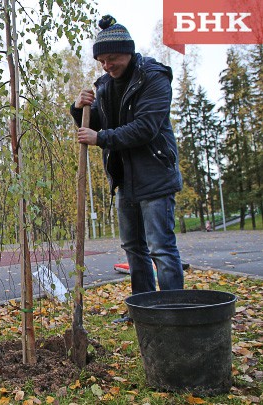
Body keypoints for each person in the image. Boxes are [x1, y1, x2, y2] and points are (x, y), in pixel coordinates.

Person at [70, 15, 184, 320]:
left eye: (113, 58)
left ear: (129, 52)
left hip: (155, 176)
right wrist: (79, 108)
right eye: (102, 60)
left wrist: (101, 137)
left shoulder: (153, 77)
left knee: (161, 248)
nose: (107, 65)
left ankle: (173, 314)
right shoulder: (104, 85)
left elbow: (145, 127)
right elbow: (97, 126)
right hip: (125, 180)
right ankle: (145, 312)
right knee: (134, 249)